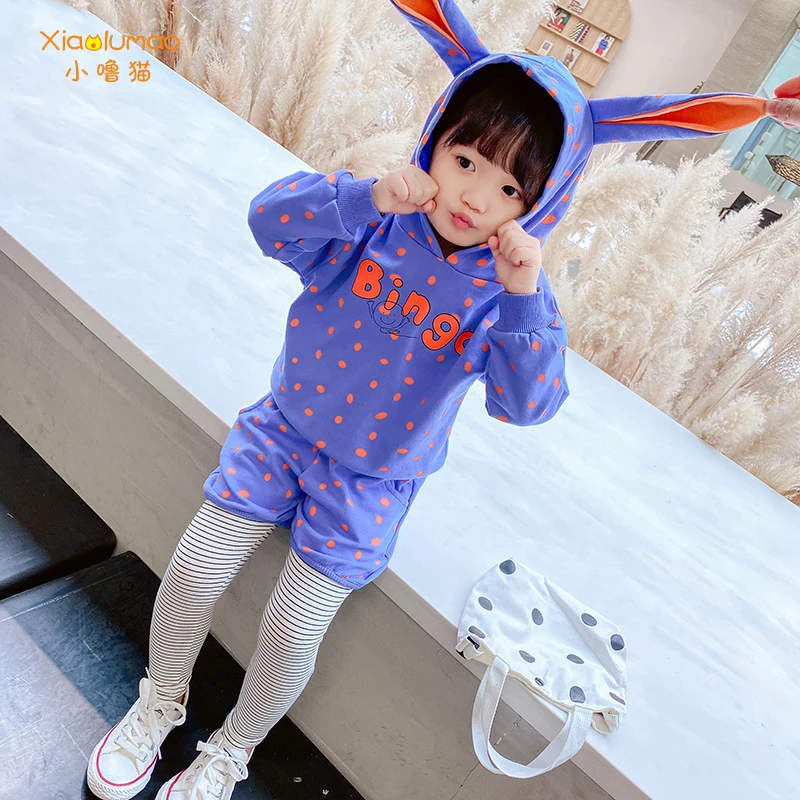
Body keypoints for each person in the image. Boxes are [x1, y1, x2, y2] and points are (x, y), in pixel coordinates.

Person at [86, 0, 800, 795]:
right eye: (466, 160)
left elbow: (527, 406)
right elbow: (267, 222)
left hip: (372, 482)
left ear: (543, 203)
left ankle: (232, 750)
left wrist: (526, 296)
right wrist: (365, 197)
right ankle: (160, 702)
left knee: (290, 628)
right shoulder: (373, 218)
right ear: (436, 140)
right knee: (193, 569)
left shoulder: (508, 293)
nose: (475, 198)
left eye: (510, 187)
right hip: (282, 431)